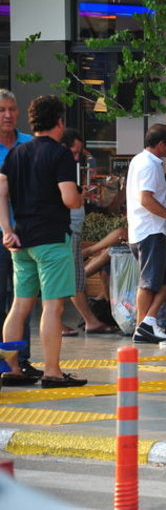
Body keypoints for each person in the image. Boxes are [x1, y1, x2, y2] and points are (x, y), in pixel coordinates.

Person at [0, 95, 87, 388]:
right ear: (60, 122)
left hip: (21, 240)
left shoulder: (16, 153)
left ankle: (12, 369)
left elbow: (1, 192)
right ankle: (52, 371)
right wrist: (80, 196)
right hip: (51, 240)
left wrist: (7, 229)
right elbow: (69, 199)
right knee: (53, 307)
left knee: (19, 306)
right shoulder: (60, 154)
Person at [126, 123, 166, 343]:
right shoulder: (148, 164)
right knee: (148, 282)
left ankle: (147, 322)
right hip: (148, 231)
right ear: (160, 144)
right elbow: (146, 199)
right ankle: (142, 326)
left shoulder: (142, 160)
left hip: (147, 230)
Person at [0, 89, 40, 386]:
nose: (8, 115)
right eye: (2, 110)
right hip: (3, 235)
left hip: (26, 235)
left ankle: (19, 360)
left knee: (22, 300)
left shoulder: (29, 144)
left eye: (12, 109)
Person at [60, 128, 115, 336]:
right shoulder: (58, 168)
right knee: (73, 279)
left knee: (74, 278)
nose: (76, 158)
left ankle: (84, 320)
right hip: (66, 232)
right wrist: (78, 197)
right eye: (74, 152)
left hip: (71, 231)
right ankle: (89, 321)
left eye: (79, 153)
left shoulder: (64, 169)